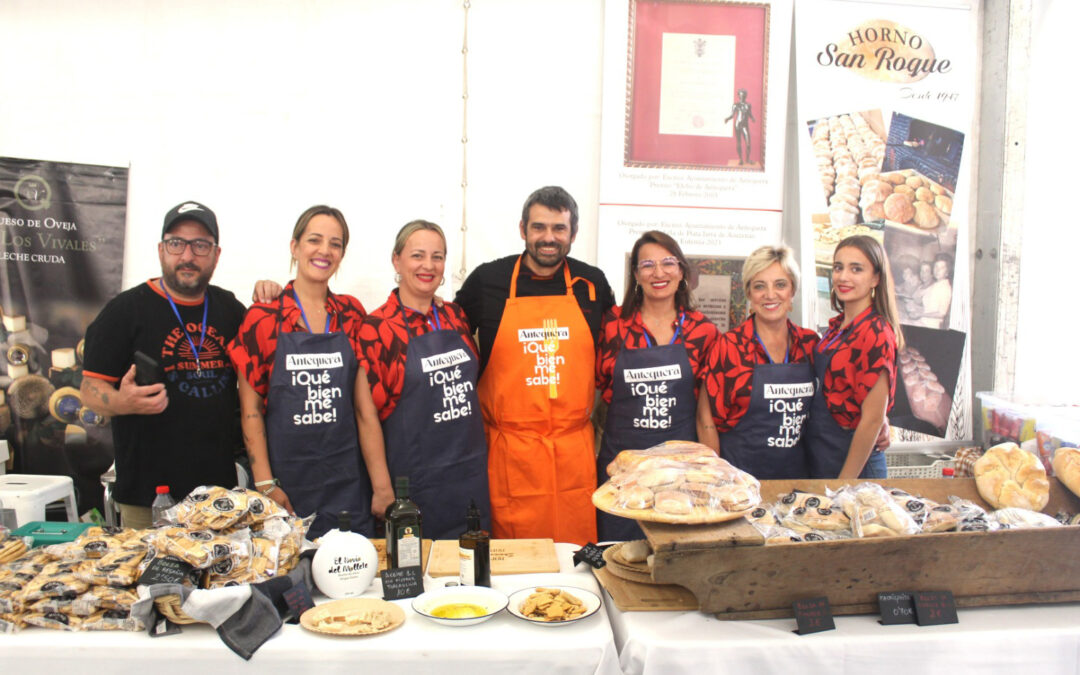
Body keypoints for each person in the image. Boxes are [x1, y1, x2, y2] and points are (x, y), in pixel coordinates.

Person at [454, 186, 615, 544]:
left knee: (576, 556)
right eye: (539, 227)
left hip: (574, 449)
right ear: (522, 229)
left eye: (559, 229)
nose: (548, 238)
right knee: (515, 558)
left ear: (573, 234)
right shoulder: (487, 281)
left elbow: (613, 352)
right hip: (511, 452)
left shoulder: (593, 285)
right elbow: (449, 338)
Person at [81, 201, 246, 529]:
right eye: (177, 243)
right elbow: (89, 390)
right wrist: (120, 401)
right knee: (150, 579)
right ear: (161, 249)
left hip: (217, 495)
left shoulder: (230, 309)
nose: (187, 256)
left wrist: (269, 298)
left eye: (200, 245)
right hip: (149, 498)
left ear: (216, 253)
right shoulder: (125, 312)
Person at [228, 205, 387, 538]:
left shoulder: (352, 313)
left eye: (335, 243)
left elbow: (362, 408)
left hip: (348, 483)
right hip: (288, 486)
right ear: (295, 246)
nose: (324, 251)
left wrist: (381, 484)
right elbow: (251, 411)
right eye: (315, 240)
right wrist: (265, 485)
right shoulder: (263, 317)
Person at [355, 220, 489, 540]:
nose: (428, 266)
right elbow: (365, 415)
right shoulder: (377, 328)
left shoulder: (455, 316)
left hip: (468, 476)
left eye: (438, 256)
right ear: (396, 260)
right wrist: (382, 488)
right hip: (414, 484)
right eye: (418, 256)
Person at [594, 231, 718, 541]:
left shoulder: (703, 331)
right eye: (647, 265)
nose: (658, 273)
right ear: (636, 274)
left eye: (668, 263)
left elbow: (707, 415)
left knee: (675, 556)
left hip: (682, 473)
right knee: (618, 555)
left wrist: (713, 474)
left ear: (681, 271)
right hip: (622, 472)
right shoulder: (613, 324)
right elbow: (594, 392)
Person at [698, 245, 819, 479]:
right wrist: (718, 480)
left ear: (792, 289)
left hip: (796, 481)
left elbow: (832, 404)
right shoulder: (730, 346)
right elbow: (706, 419)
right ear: (749, 294)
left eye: (780, 284)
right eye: (759, 286)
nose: (770, 294)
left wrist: (881, 421)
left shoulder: (810, 344)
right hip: (739, 480)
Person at [804, 235, 903, 479]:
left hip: (854, 466)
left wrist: (844, 484)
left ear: (876, 278)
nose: (843, 277)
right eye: (838, 267)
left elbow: (871, 421)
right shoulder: (839, 326)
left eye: (856, 269)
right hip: (825, 454)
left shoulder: (875, 332)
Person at [910, 253, 953, 329]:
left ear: (947, 272)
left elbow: (941, 313)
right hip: (922, 321)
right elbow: (929, 307)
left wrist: (920, 314)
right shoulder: (936, 285)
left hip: (930, 326)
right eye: (936, 266)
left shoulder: (946, 288)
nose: (937, 270)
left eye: (942, 267)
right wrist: (916, 309)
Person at [725, 88, 755, 165]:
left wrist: (752, 118)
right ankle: (741, 159)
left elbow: (749, 113)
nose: (742, 97)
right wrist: (727, 119)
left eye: (744, 95)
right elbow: (732, 115)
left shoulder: (748, 105)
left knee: (748, 143)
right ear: (738, 96)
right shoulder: (735, 105)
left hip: (745, 125)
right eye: (741, 95)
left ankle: (747, 159)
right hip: (738, 125)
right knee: (739, 142)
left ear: (746, 96)